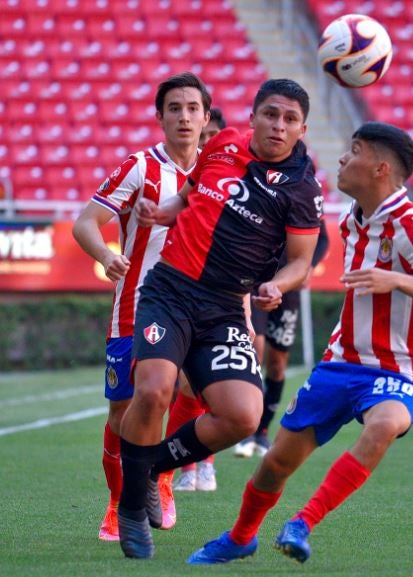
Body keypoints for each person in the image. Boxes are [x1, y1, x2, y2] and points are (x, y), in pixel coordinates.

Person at [187, 121, 413, 566]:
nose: (343, 159)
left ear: (381, 169)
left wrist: (395, 279)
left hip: (399, 369)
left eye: (354, 151)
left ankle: (302, 523)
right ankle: (240, 537)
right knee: (276, 463)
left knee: (385, 424)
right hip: (341, 362)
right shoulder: (353, 219)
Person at [117, 78, 323, 559]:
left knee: (242, 416)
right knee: (152, 391)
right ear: (251, 118)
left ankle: (149, 469)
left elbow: (300, 261)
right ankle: (130, 508)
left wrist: (279, 284)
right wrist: (158, 212)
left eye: (290, 119)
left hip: (226, 306)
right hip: (169, 291)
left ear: (302, 129)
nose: (278, 125)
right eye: (270, 114)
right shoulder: (223, 145)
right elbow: (186, 199)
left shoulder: (302, 189)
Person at [72, 72, 212, 541]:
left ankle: (163, 479)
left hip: (197, 311)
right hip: (135, 308)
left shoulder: (217, 176)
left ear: (206, 117)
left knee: (192, 390)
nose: (184, 117)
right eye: (175, 108)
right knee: (123, 415)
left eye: (193, 108)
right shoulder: (140, 167)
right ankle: (118, 505)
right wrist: (107, 254)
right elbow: (86, 222)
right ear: (160, 117)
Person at [235, 218, 329, 458]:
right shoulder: (258, 184)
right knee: (254, 350)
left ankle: (262, 432)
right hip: (255, 284)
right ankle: (247, 428)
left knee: (277, 365)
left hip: (288, 290)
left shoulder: (306, 189)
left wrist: (307, 266)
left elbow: (323, 238)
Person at [171, 106, 228, 493]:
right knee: (185, 384)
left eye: (214, 139)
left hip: (228, 292)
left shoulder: (234, 181)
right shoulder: (184, 183)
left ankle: (202, 463)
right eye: (205, 138)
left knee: (214, 383)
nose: (207, 145)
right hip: (179, 289)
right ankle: (186, 464)